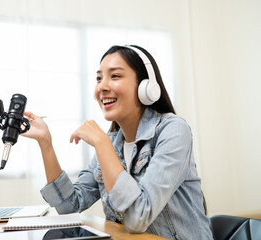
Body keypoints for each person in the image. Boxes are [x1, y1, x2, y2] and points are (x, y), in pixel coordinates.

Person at [21, 45, 213, 239]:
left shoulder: (173, 130)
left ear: (146, 87)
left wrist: (102, 144)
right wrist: (45, 143)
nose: (102, 87)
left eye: (115, 76)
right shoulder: (112, 142)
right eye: (99, 78)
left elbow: (138, 216)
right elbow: (69, 205)